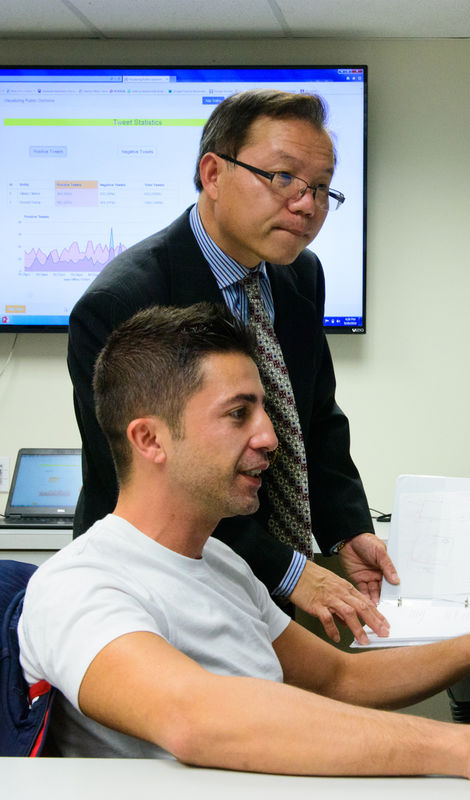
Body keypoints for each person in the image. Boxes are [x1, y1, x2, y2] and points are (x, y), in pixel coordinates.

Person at [20, 304, 470, 789]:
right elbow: (193, 717)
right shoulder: (79, 585)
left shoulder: (219, 561)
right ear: (150, 439)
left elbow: (340, 680)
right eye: (238, 414)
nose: (269, 436)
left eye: (264, 409)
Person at [67, 88, 398, 644]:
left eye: (320, 187)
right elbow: (161, 485)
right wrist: (286, 570)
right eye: (284, 178)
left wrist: (347, 531)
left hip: (278, 577)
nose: (307, 204)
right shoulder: (125, 304)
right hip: (161, 585)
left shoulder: (300, 276)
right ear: (213, 174)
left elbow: (314, 418)